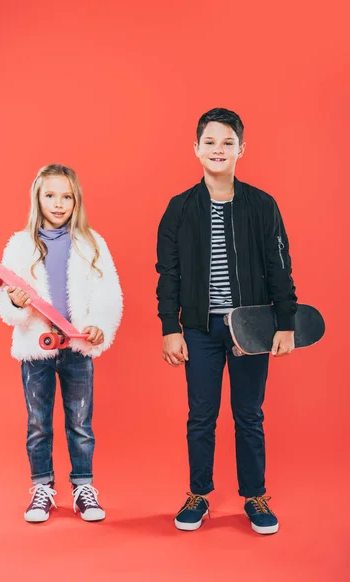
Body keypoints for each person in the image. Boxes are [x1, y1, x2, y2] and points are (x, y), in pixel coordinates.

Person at [156, 108, 297, 534]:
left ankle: (255, 495)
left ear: (241, 149)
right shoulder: (179, 208)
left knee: (249, 414)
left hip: (251, 329)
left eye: (228, 142)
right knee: (201, 415)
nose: (219, 150)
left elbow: (279, 267)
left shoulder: (261, 205)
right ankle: (199, 493)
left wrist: (285, 323)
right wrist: (170, 328)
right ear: (196, 149)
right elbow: (169, 274)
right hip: (199, 330)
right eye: (211, 142)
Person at [0, 164, 123, 523]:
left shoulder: (92, 242)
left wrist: (99, 324)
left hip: (77, 348)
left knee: (80, 422)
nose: (58, 203)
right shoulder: (20, 245)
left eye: (66, 196)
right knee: (38, 423)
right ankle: (42, 487)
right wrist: (16, 302)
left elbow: (108, 291)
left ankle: (83, 486)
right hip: (36, 347)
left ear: (76, 200)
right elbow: (7, 303)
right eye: (50, 195)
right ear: (37, 197)